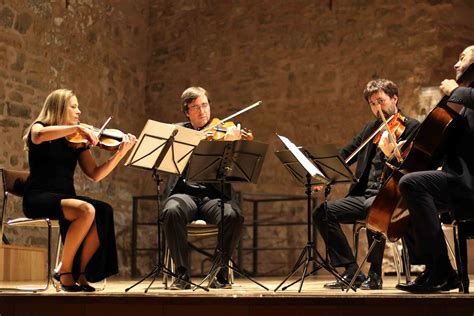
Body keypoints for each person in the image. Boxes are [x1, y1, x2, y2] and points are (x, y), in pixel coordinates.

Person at [22, 89, 136, 292]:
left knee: (103, 210)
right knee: (86, 210)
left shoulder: (75, 141)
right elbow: (38, 136)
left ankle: (80, 273)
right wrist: (77, 128)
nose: (79, 111)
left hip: (65, 198)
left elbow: (95, 174)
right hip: (38, 197)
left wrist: (120, 153)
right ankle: (64, 272)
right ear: (58, 108)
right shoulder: (40, 128)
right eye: (73, 106)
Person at [312, 79, 420, 290]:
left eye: (381, 101)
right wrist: (323, 175)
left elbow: (414, 167)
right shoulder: (370, 128)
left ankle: (375, 274)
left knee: (373, 208)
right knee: (322, 212)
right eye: (372, 104)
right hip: (363, 196)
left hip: (392, 197)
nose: (377, 107)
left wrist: (394, 155)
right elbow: (345, 154)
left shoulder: (411, 126)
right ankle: (352, 270)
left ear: (394, 98)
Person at [396, 45, 474, 293]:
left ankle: (442, 271)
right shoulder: (467, 100)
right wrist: (412, 148)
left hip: (468, 183)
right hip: (459, 180)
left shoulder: (466, 96)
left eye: (462, 58)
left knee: (412, 184)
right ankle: (434, 269)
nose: (455, 64)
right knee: (408, 188)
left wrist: (457, 91)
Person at [160, 86, 245, 290]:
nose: (202, 111)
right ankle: (181, 274)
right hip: (183, 194)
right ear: (187, 112)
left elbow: (237, 168)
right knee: (171, 211)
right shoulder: (177, 132)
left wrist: (232, 145)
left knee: (233, 215)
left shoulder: (223, 132)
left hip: (213, 196)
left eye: (205, 105)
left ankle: (220, 272)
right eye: (195, 107)